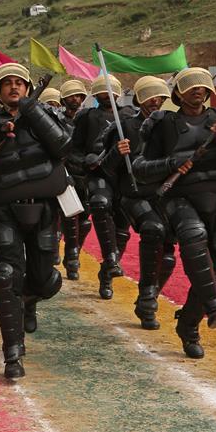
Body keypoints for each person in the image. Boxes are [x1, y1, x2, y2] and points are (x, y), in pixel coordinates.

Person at [134, 67, 216, 358]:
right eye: (190, 86)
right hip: (180, 200)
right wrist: (171, 163)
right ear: (177, 93)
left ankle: (188, 326)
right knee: (193, 236)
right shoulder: (163, 124)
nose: (198, 90)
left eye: (202, 85)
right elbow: (140, 169)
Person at [0, 63, 70, 379]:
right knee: (4, 275)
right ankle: (13, 353)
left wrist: (33, 112)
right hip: (4, 212)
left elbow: (64, 145)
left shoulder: (46, 114)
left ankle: (31, 296)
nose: (13, 87)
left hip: (44, 209)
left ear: (27, 88)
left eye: (18, 82)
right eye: (6, 83)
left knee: (45, 279)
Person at [97, 76, 177, 329]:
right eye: (149, 96)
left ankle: (148, 297)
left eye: (159, 97)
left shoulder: (170, 124)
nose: (155, 101)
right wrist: (116, 152)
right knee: (152, 230)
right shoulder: (123, 128)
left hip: (163, 195)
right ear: (139, 98)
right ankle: (121, 281)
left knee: (168, 255)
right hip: (132, 194)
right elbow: (106, 168)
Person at [71, 75, 134, 299]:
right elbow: (74, 149)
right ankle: (110, 258)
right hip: (98, 174)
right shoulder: (87, 116)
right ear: (95, 94)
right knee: (99, 204)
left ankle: (107, 273)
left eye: (111, 90)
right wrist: (85, 161)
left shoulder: (129, 115)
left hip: (124, 175)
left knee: (122, 229)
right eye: (102, 91)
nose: (107, 94)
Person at [57, 79, 91, 280]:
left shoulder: (88, 119)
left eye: (79, 96)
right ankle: (71, 260)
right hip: (64, 175)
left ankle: (75, 251)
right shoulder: (57, 120)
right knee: (69, 219)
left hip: (85, 174)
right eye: (71, 96)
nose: (76, 99)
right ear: (63, 99)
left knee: (85, 221)